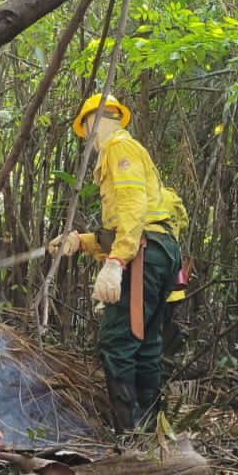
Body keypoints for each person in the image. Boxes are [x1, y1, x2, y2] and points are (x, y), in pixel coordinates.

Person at [46, 94, 183, 434]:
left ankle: (130, 435)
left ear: (93, 122)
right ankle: (150, 435)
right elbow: (128, 221)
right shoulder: (128, 149)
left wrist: (116, 261)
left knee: (117, 341)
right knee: (145, 342)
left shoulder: (118, 149)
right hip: (158, 251)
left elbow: (134, 212)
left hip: (143, 255)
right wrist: (80, 242)